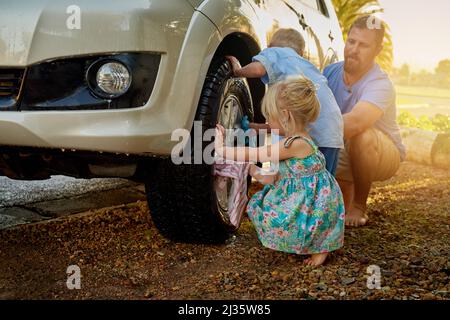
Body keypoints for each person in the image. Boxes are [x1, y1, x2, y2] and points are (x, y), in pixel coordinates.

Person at [214, 77, 345, 266]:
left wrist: (221, 149)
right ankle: (312, 244)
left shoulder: (294, 144)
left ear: (286, 115)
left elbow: (259, 152)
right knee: (265, 207)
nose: (267, 121)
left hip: (315, 200)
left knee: (299, 222)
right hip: (305, 194)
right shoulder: (295, 140)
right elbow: (273, 177)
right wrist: (250, 169)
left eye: (270, 116)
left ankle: (321, 249)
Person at [323, 16, 406, 227]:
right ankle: (343, 199)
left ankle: (359, 205)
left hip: (382, 153)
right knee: (331, 212)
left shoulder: (380, 83)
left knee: (361, 134)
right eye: (351, 42)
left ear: (377, 50)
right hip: (341, 143)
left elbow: (356, 122)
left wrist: (304, 134)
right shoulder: (330, 72)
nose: (354, 49)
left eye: (363, 45)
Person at [226, 28, 344, 176]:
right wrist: (256, 127)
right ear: (301, 52)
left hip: (311, 132)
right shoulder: (307, 66)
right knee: (320, 181)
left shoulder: (275, 52)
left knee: (284, 172)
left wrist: (237, 71)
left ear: (269, 46)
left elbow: (257, 70)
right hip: (332, 131)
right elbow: (290, 122)